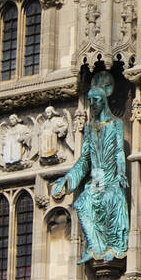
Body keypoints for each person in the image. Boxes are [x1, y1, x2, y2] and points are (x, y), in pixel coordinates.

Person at [52, 73, 129, 262]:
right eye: (90, 100)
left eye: (96, 100)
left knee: (111, 198)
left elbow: (119, 151)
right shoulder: (89, 129)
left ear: (103, 101)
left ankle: (115, 247)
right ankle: (94, 247)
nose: (93, 104)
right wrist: (67, 179)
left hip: (111, 177)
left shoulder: (116, 124)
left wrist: (121, 173)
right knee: (83, 202)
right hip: (97, 179)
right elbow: (84, 159)